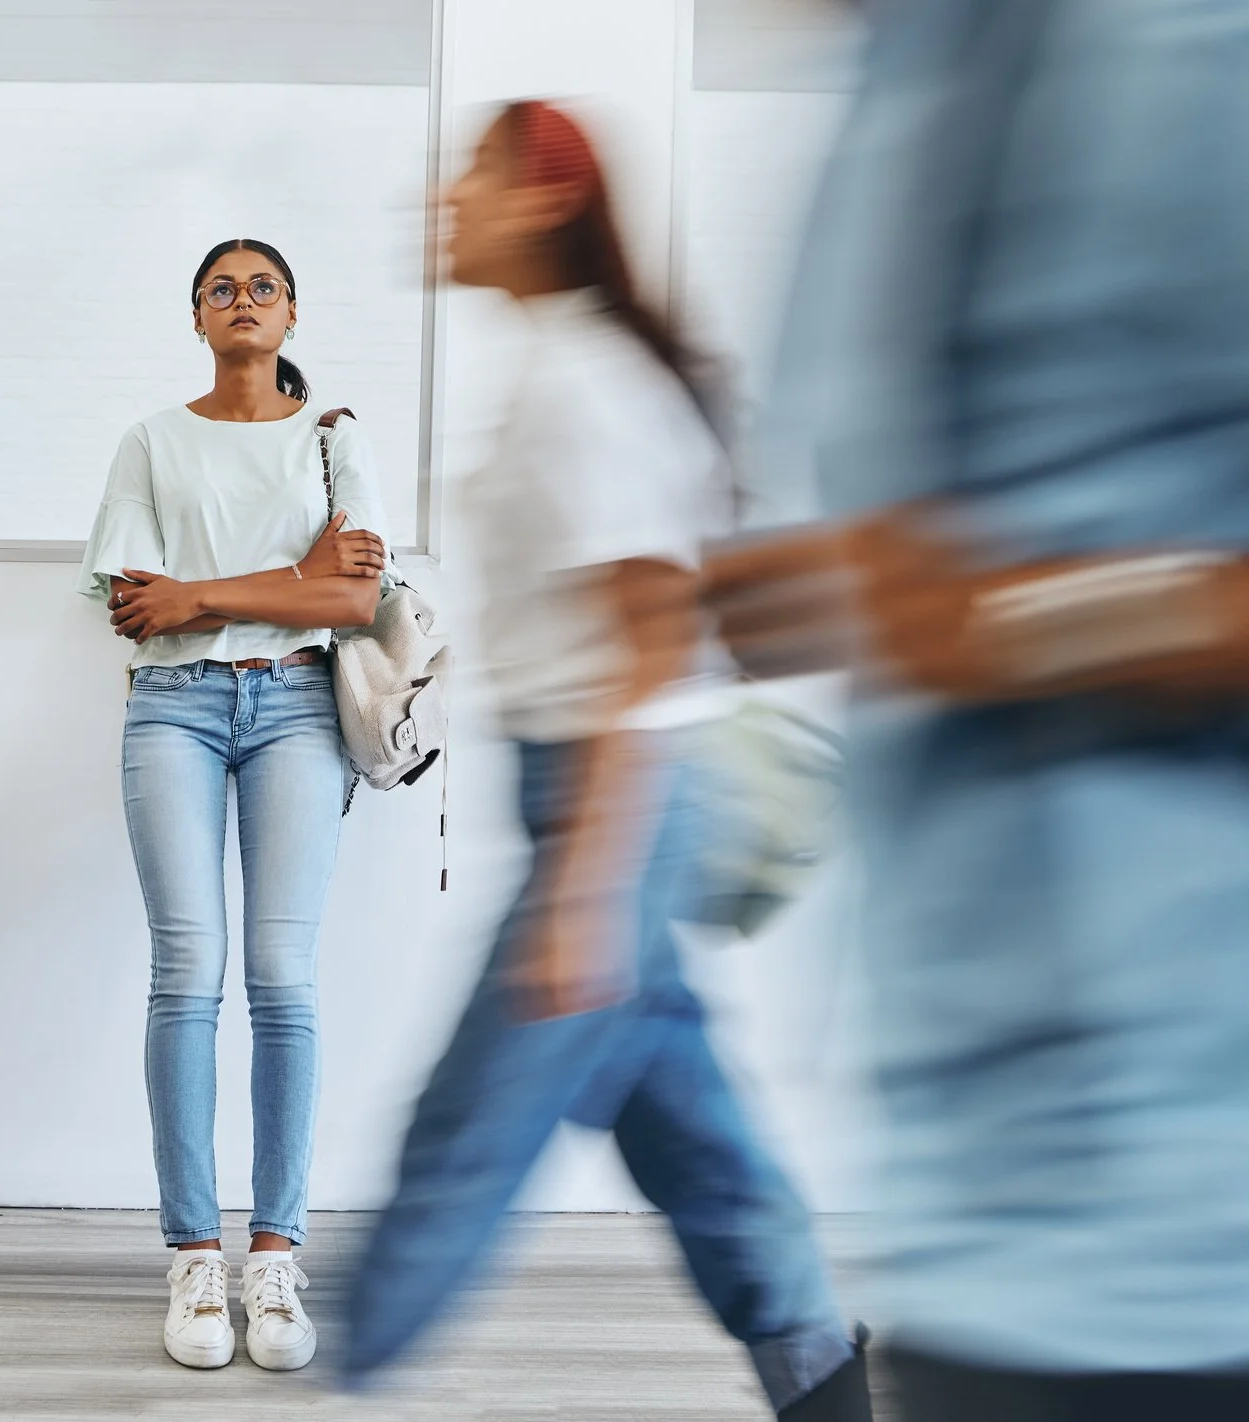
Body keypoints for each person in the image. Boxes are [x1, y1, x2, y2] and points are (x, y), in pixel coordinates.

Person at [705, 1, 1249, 1416]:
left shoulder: (1188, 49)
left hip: (1190, 1228)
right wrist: (823, 594)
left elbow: (976, 602)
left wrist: (1011, 622)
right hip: (970, 1201)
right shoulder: (900, 69)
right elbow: (926, 565)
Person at [338, 103, 872, 1421]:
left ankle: (338, 1375)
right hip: (603, 796)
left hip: (613, 799)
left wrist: (586, 885)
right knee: (697, 1142)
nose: (440, 201)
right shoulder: (562, 368)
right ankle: (824, 1383)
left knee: (462, 1142)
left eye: (467, 177)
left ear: (540, 200)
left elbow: (648, 640)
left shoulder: (586, 384)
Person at [78, 238, 388, 1372]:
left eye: (263, 287)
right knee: (186, 971)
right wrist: (287, 580)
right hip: (173, 712)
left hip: (301, 711)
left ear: (293, 314)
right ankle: (195, 1259)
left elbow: (352, 598)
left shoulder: (332, 440)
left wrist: (205, 590)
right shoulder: (153, 442)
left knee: (284, 980)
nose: (243, 301)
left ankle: (275, 1256)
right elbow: (134, 610)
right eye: (223, 289)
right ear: (198, 318)